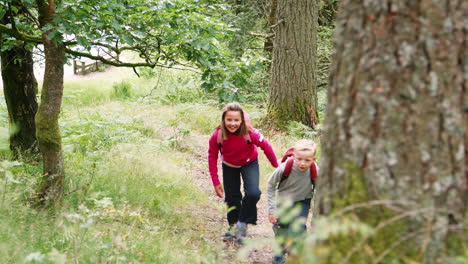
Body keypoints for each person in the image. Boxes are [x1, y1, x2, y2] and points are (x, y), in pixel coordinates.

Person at [208, 102, 278, 243]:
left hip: (249, 163)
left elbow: (266, 146)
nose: (232, 123)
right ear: (223, 120)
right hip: (229, 165)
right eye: (229, 120)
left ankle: (242, 222)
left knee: (253, 193)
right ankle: (234, 228)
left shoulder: (250, 133)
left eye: (236, 120)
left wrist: (277, 166)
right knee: (232, 198)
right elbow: (212, 156)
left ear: (241, 121)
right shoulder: (217, 135)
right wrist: (215, 181)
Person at [266, 139, 318, 264]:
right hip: (284, 201)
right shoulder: (285, 168)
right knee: (282, 228)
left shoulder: (315, 170)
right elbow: (270, 185)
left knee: (299, 228)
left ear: (313, 159)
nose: (302, 163)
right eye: (299, 159)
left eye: (307, 160)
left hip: (303, 201)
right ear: (294, 156)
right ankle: (279, 254)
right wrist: (272, 210)